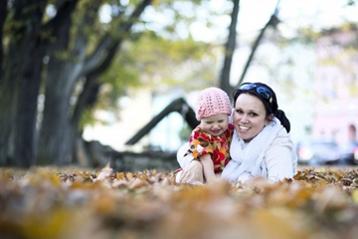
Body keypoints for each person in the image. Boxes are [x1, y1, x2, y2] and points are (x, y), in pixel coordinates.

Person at [177, 82, 297, 184]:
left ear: (268, 118)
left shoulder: (276, 141)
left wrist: (246, 182)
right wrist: (194, 163)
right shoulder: (226, 122)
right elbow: (186, 148)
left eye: (253, 114)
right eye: (239, 111)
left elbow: (282, 183)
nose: (243, 120)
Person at [176, 87, 234, 184]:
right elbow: (205, 159)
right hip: (203, 167)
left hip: (220, 169)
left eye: (220, 121)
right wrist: (211, 180)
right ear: (200, 120)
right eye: (209, 122)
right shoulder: (200, 134)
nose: (215, 126)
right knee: (196, 169)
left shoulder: (230, 130)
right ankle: (183, 179)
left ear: (228, 117)